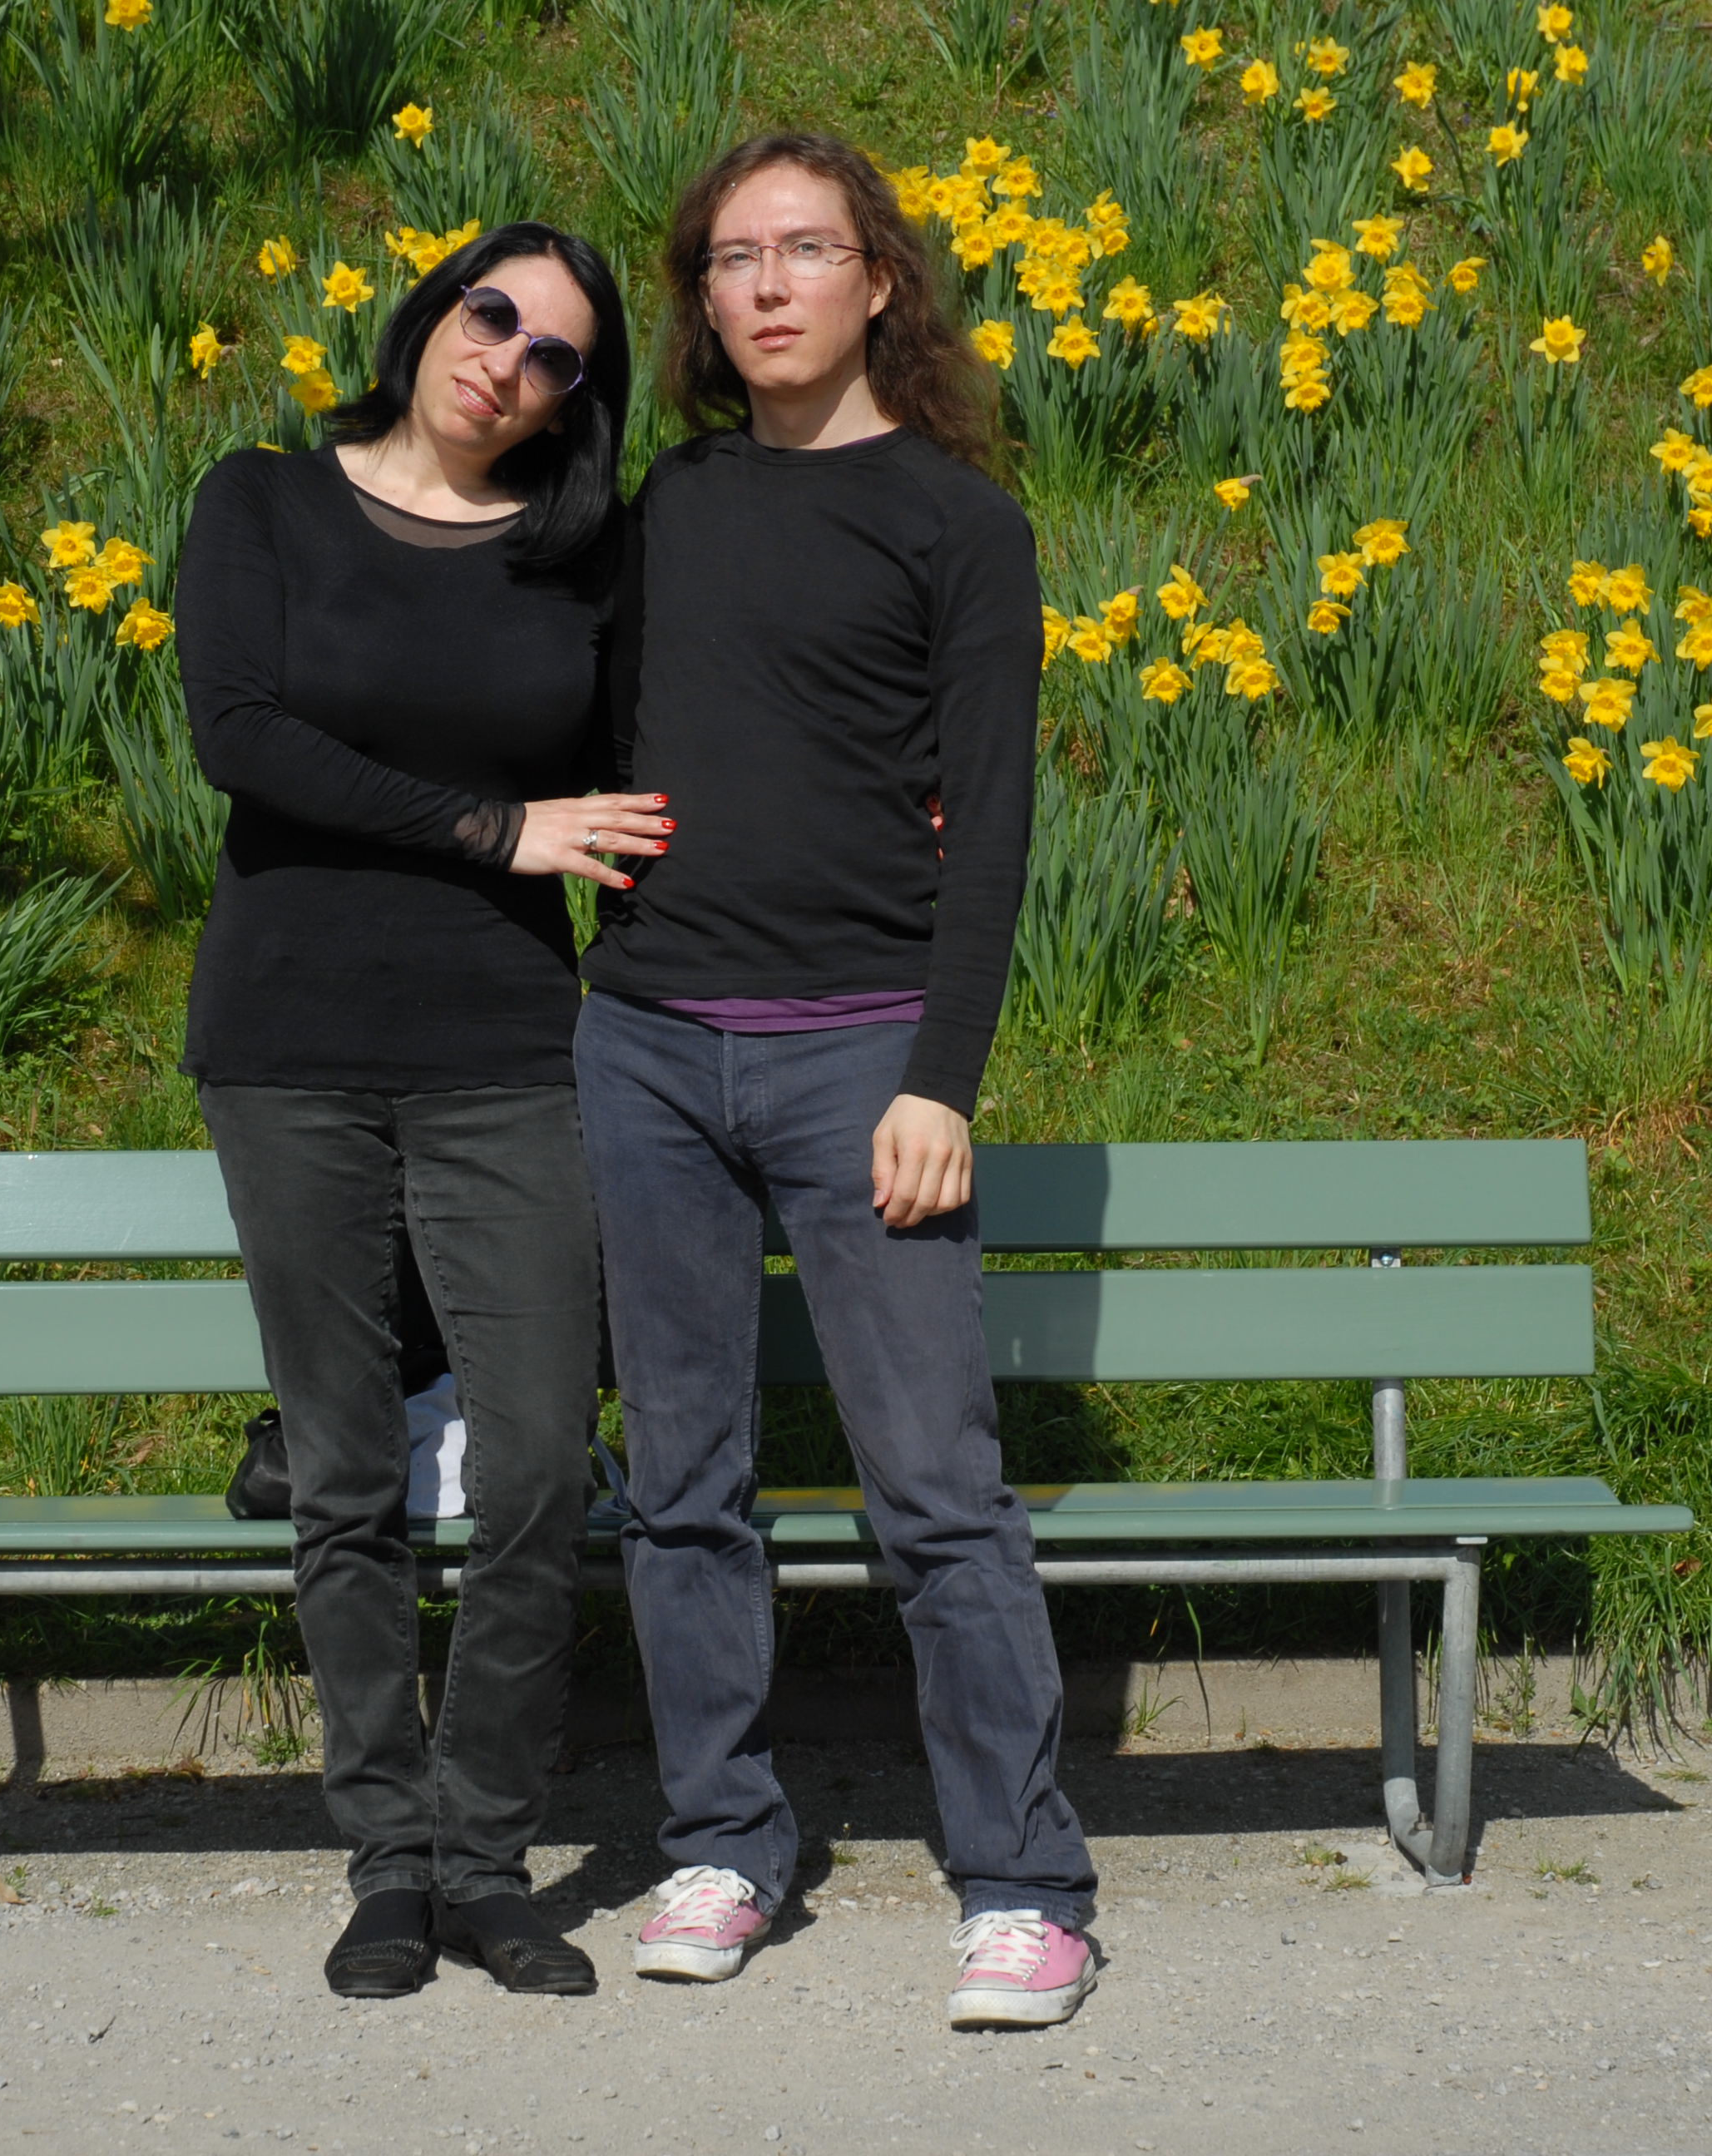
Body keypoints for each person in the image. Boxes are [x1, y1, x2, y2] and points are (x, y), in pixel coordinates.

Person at [576, 136, 1101, 2031]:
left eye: (807, 249)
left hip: (864, 1059)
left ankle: (1026, 1888)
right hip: (644, 1050)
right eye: (734, 257)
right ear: (703, 302)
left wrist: (941, 1077)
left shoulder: (958, 526)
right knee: (681, 1487)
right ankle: (722, 1844)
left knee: (936, 1492)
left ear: (880, 280)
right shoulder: (665, 507)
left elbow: (995, 828)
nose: (770, 284)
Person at [176, 221, 668, 2002]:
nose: (507, 362)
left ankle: (487, 1857)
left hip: (509, 1049)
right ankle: (390, 1862)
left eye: (555, 357)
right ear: (432, 309)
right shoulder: (261, 502)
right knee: (347, 1475)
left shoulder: (578, 562)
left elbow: (647, 791)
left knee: (536, 1464)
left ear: (572, 405)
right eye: (492, 314)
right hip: (288, 1043)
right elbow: (240, 736)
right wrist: (491, 829)